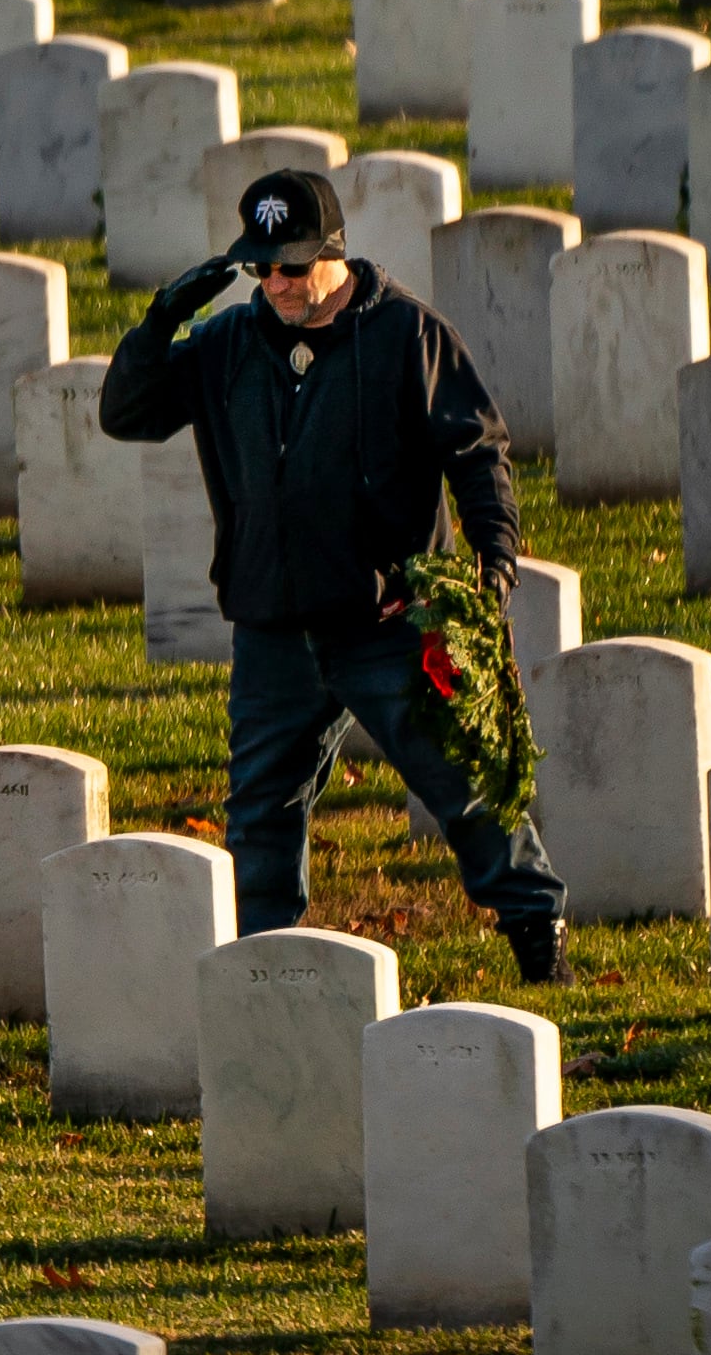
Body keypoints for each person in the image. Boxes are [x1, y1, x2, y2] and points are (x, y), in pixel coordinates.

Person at [99, 166, 570, 983]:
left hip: (386, 623)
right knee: (259, 815)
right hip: (272, 627)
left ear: (331, 253)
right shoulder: (222, 346)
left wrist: (493, 562)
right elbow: (124, 414)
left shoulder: (406, 336)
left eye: (289, 264)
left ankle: (538, 939)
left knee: (460, 785)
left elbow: (476, 450)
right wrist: (159, 324)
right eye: (259, 266)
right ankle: (269, 973)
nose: (274, 282)